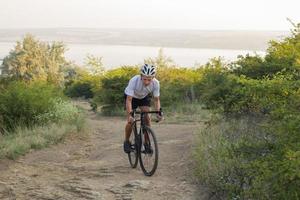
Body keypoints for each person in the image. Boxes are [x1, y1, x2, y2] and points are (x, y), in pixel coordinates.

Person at [123, 64, 162, 153]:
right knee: (130, 121)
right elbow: (129, 100)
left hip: (143, 97)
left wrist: (158, 112)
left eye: (149, 79)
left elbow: (156, 100)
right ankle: (127, 141)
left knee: (147, 118)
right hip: (131, 98)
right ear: (141, 76)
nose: (147, 82)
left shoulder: (156, 83)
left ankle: (146, 143)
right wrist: (130, 115)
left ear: (153, 78)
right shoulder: (134, 80)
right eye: (145, 79)